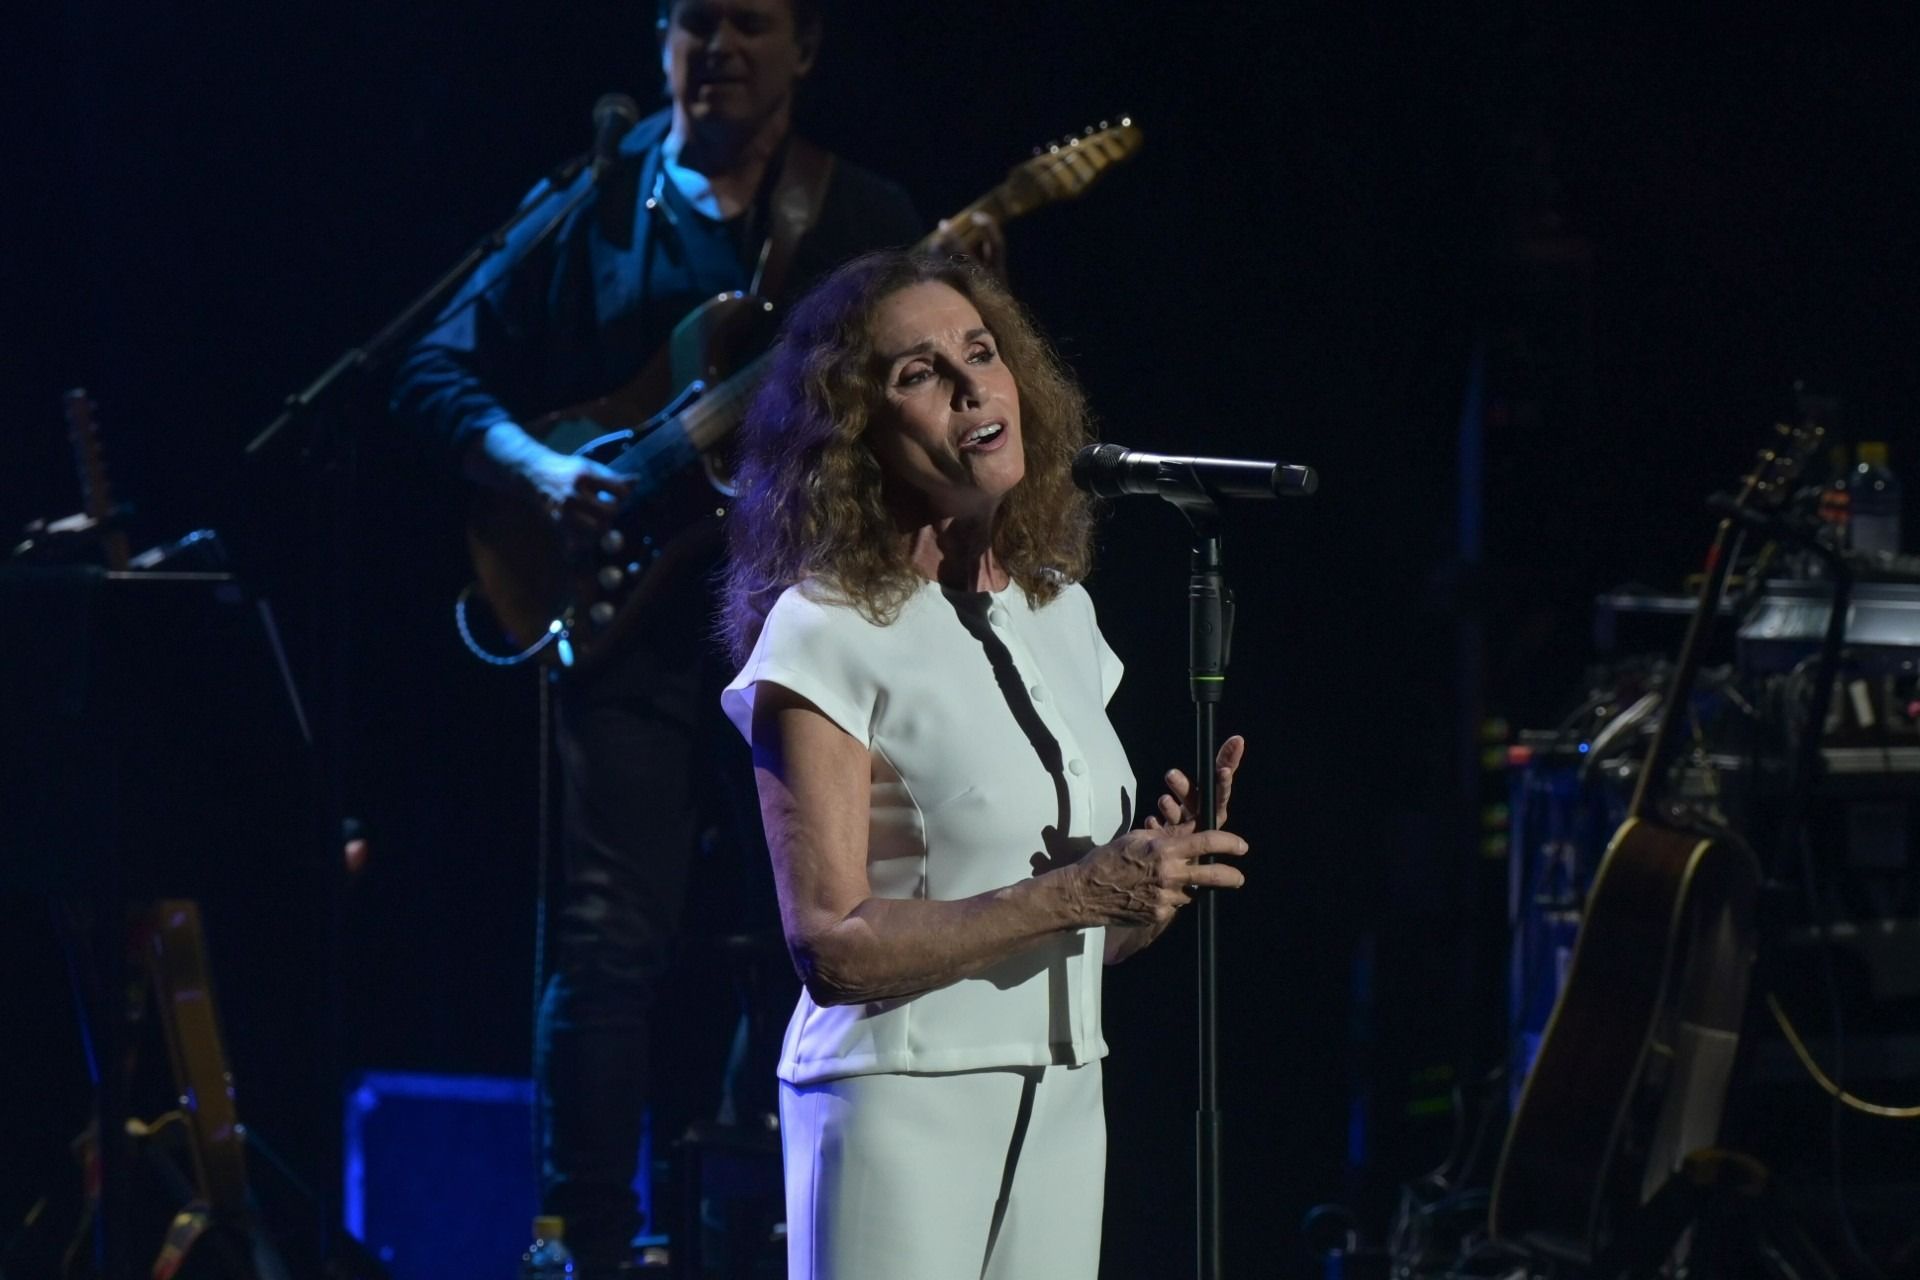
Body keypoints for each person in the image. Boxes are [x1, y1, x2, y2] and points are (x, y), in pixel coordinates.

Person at [390, 3, 996, 1273]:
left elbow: (947, 405)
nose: (718, 44)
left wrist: (945, 311)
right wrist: (543, 470)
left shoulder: (864, 216)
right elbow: (434, 369)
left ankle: (764, 1218)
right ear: (659, 42)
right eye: (693, 20)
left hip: (806, 637)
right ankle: (585, 1239)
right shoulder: (591, 205)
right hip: (630, 631)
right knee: (609, 940)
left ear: (807, 49)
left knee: (813, 928)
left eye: (751, 22)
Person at [718, 248, 1251, 1278]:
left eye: (982, 352)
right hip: (897, 1101)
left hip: (1063, 1091)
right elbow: (831, 943)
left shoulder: (1059, 611)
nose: (971, 386)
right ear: (852, 433)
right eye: (918, 372)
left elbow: (1068, 926)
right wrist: (1079, 888)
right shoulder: (825, 630)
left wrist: (1147, 888)